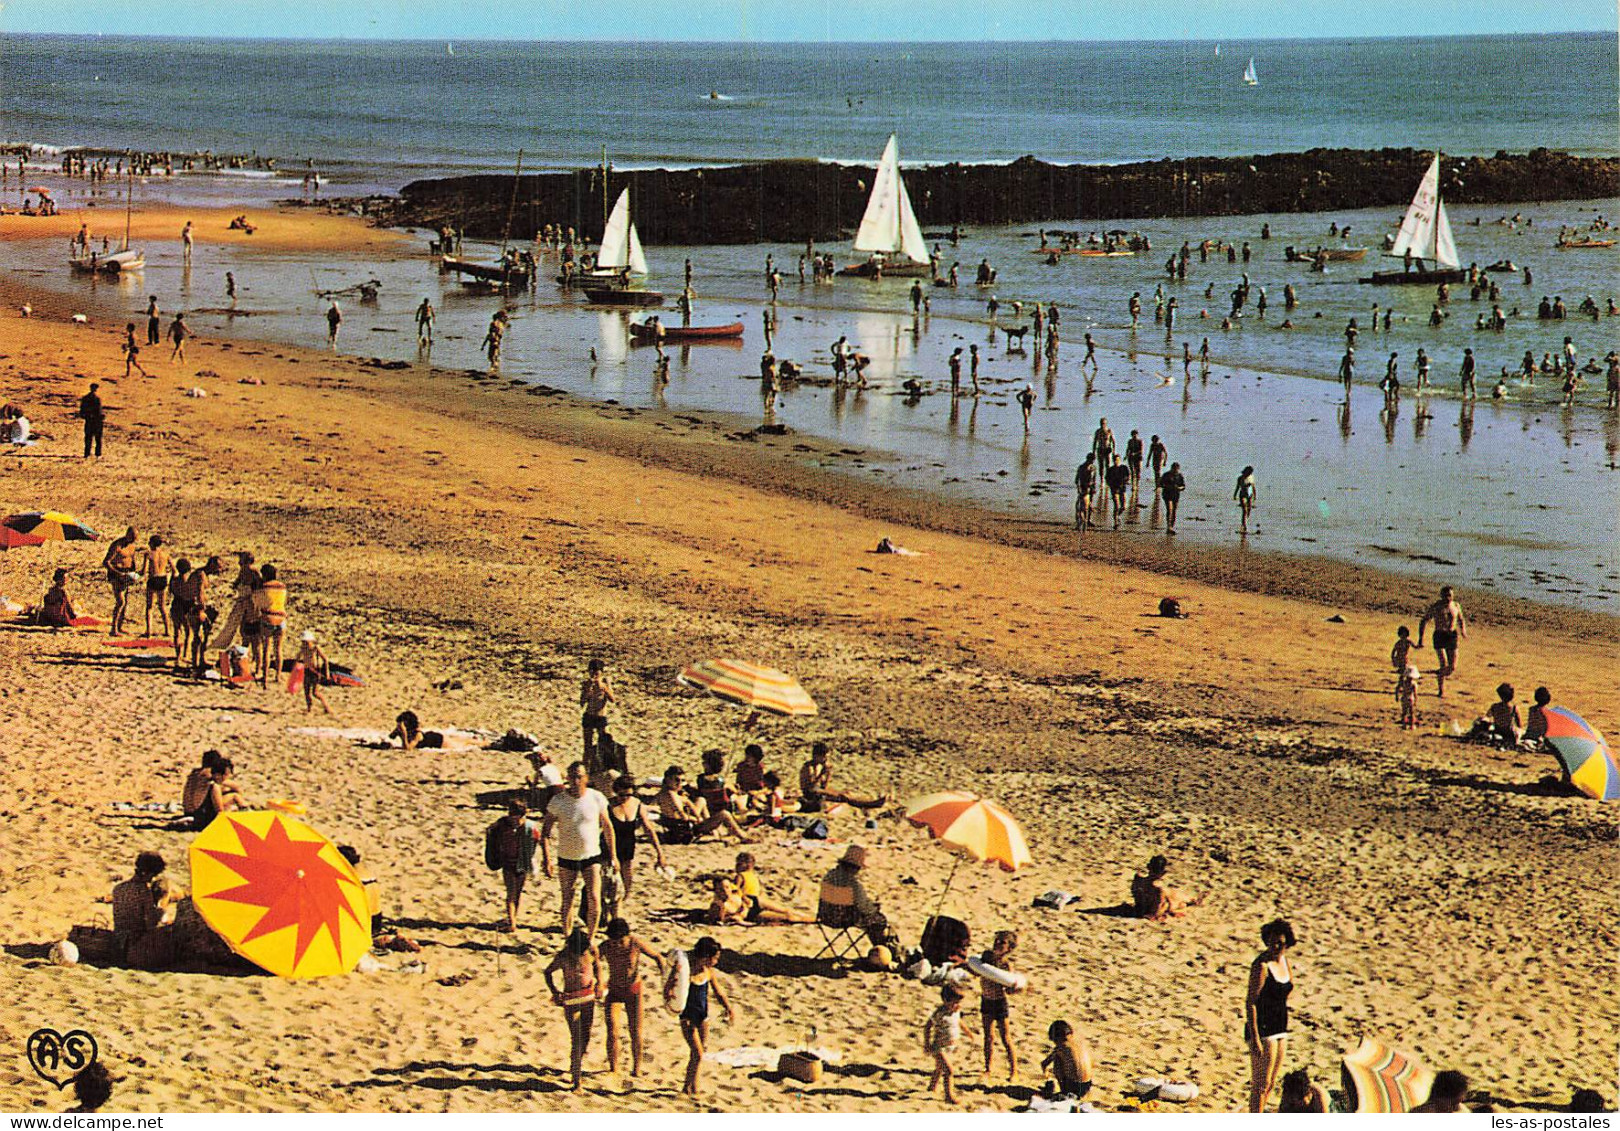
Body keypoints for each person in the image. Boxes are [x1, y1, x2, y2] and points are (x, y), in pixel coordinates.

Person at [541, 761, 615, 940]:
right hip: (566, 857)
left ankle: (590, 938)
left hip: (592, 856)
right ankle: (567, 938)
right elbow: (545, 831)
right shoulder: (558, 801)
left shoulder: (596, 797)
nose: (575, 781)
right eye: (571, 777)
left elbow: (607, 827)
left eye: (579, 777)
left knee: (594, 898)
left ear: (586, 778)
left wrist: (613, 856)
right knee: (567, 899)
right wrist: (547, 859)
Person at [599, 917, 664, 1077]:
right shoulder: (606, 946)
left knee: (635, 1031)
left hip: (633, 990)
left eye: (620, 941)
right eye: (614, 941)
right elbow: (591, 960)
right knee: (613, 1030)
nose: (617, 945)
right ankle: (613, 1069)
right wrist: (598, 981)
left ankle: (637, 1069)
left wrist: (666, 980)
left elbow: (658, 957)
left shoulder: (635, 944)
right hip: (614, 990)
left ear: (627, 936)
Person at [1245, 918, 1296, 1112]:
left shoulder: (1284, 961)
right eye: (1272, 942)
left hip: (1281, 1026)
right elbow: (1250, 1003)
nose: (1276, 946)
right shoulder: (1261, 966)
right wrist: (1255, 1037)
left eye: (1280, 943)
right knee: (1260, 1085)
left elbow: (1287, 988)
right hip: (1263, 1028)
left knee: (1271, 1083)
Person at [544, 928, 602, 1092]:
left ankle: (574, 1065)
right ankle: (577, 1081)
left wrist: (600, 983)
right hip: (571, 999)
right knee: (576, 1038)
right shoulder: (563, 956)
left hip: (588, 997)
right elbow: (548, 972)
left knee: (586, 1036)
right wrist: (555, 992)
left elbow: (597, 966)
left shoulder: (591, 951)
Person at [680, 935, 734, 1096]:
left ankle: (692, 1086)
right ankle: (687, 1088)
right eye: (715, 958)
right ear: (706, 957)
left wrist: (728, 1008)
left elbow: (718, 992)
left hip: (703, 1017)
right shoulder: (686, 972)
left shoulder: (708, 972)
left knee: (698, 1053)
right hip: (687, 1017)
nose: (717, 961)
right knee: (698, 1053)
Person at [818, 845, 896, 947]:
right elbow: (863, 908)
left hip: (826, 916)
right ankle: (881, 950)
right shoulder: (853, 885)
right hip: (843, 919)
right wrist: (874, 907)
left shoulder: (828, 876)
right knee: (879, 921)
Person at [112, 851, 180, 970]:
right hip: (136, 948)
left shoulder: (118, 888)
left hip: (117, 943)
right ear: (149, 873)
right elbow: (150, 925)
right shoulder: (144, 892)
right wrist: (162, 909)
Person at [654, 765, 751, 842]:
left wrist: (688, 802)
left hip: (677, 829)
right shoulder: (672, 795)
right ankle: (741, 835)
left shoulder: (664, 793)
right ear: (667, 779)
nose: (679, 783)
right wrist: (697, 818)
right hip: (685, 832)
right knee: (724, 814)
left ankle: (714, 831)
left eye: (682, 780)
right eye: (676, 780)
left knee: (701, 800)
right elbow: (683, 817)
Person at [608, 774, 666, 902]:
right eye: (621, 795)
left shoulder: (636, 804)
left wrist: (659, 852)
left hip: (627, 843)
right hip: (609, 844)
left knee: (627, 876)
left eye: (628, 795)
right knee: (609, 879)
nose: (624, 798)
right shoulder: (608, 805)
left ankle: (623, 902)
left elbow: (648, 829)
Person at [487, 799, 538, 932]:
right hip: (521, 862)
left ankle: (512, 922)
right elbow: (536, 840)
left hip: (510, 862)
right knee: (516, 893)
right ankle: (512, 918)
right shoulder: (528, 826)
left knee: (512, 893)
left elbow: (490, 831)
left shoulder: (504, 823)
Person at [976, 930, 1020, 1079]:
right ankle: (988, 1068)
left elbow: (1009, 990)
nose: (998, 944)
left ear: (1009, 948)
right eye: (997, 940)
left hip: (999, 1003)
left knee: (1005, 1038)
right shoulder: (986, 957)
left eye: (1003, 942)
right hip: (986, 1000)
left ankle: (1014, 1071)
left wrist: (1013, 988)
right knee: (988, 1037)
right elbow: (977, 969)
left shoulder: (1007, 966)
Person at [799, 742, 889, 811]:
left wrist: (828, 774)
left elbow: (824, 786)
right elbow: (811, 788)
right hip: (811, 794)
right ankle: (869, 804)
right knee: (844, 797)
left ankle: (868, 801)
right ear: (816, 756)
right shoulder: (808, 768)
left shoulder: (819, 766)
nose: (825, 759)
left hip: (818, 790)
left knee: (846, 793)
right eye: (824, 757)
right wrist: (822, 773)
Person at [733, 851, 814, 923]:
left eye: (738, 864)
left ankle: (810, 920)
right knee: (786, 911)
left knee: (786, 917)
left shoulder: (740, 876)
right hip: (758, 900)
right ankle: (812, 919)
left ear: (748, 865)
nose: (736, 866)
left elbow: (735, 891)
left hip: (748, 904)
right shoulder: (754, 877)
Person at [1416, 585, 1467, 698]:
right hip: (1439, 635)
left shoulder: (1456, 606)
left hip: (1452, 636)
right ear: (1441, 596)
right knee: (1443, 664)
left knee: (1452, 667)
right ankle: (1441, 690)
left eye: (1450, 595)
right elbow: (1424, 620)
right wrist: (1421, 638)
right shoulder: (1436, 607)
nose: (1448, 598)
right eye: (1446, 595)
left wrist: (1463, 631)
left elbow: (1461, 619)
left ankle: (1439, 674)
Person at [923, 984, 967, 1105]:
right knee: (949, 1071)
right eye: (955, 1003)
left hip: (949, 1047)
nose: (958, 1006)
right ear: (946, 1001)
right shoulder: (940, 1013)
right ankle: (949, 1096)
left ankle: (932, 1087)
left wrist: (968, 1033)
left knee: (939, 1068)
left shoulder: (955, 1012)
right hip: (939, 1047)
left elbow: (959, 1022)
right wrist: (927, 1044)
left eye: (959, 1003)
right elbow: (927, 1027)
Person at [1131, 854, 1203, 920]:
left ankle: (1191, 900)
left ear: (1148, 867)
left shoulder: (1138, 879)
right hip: (1160, 904)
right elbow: (1157, 912)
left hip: (1141, 907)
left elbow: (1135, 895)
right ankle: (1192, 900)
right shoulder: (1158, 888)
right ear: (1163, 873)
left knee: (1172, 895)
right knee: (1175, 900)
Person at [251, 563, 287, 686]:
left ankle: (265, 677)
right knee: (278, 650)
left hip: (268, 618)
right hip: (281, 618)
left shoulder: (264, 587)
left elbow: (257, 602)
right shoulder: (282, 587)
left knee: (267, 649)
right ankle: (278, 676)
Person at [102, 528, 140, 638]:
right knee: (120, 601)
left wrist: (134, 573)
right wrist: (117, 573)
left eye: (135, 538)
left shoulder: (132, 546)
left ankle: (119, 626)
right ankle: (113, 629)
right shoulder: (117, 545)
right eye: (132, 537)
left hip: (126, 573)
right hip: (116, 574)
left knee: (125, 602)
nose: (133, 540)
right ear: (127, 535)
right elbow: (106, 562)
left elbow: (132, 559)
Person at [1041, 1020, 1092, 1100]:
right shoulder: (1080, 1044)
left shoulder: (1061, 1047)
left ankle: (1061, 1090)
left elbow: (1044, 1064)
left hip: (1073, 1087)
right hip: (1087, 1085)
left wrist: (1047, 1078)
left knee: (1057, 1059)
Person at [580, 658, 614, 766]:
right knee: (587, 746)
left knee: (604, 744)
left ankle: (603, 766)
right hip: (589, 716)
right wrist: (588, 691)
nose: (594, 674)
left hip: (601, 716)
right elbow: (582, 702)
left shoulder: (605, 682)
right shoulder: (586, 683)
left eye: (596, 671)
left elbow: (612, 699)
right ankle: (586, 768)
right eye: (591, 671)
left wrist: (603, 688)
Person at [294, 629, 332, 714]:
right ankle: (309, 709)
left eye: (306, 642)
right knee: (306, 692)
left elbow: (325, 659)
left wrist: (327, 673)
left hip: (314, 671)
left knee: (315, 692)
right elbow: (297, 658)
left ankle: (326, 707)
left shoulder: (315, 648)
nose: (305, 643)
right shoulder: (303, 649)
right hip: (307, 671)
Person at [79, 382, 104, 459]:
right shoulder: (87, 399)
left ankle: (95, 454)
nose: (94, 390)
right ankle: (89, 454)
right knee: (90, 438)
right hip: (92, 421)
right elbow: (82, 412)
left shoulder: (94, 398)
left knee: (96, 438)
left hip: (95, 421)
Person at [1105, 455, 1131, 529]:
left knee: (1124, 506)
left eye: (1117, 460)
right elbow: (1107, 478)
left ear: (1120, 460)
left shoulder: (1124, 468)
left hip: (1122, 487)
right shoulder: (1110, 469)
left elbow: (1128, 476)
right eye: (1115, 460)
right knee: (1116, 505)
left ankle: (1118, 515)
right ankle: (1115, 521)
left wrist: (1127, 481)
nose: (1116, 461)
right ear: (1113, 461)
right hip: (1114, 488)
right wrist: (1110, 484)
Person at [1159, 462, 1185, 533]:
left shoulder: (1180, 476)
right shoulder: (1166, 475)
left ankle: (1172, 526)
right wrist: (1167, 486)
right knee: (1169, 509)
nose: (1175, 471)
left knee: (1174, 510)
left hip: (1176, 494)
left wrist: (1179, 488)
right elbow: (1160, 484)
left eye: (1176, 469)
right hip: (1167, 494)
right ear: (1171, 468)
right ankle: (1168, 526)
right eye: (1174, 469)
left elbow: (1183, 486)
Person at [1073, 455, 1097, 531]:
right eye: (1091, 460)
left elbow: (1093, 480)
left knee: (1087, 507)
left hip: (1090, 489)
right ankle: (1080, 523)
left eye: (1093, 461)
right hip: (1083, 488)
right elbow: (1077, 480)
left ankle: (1086, 522)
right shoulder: (1082, 467)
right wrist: (1079, 488)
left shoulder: (1093, 468)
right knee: (1079, 507)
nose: (1092, 462)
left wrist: (1093, 488)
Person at [1233, 466, 1257, 534]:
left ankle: (1245, 520)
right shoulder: (1240, 478)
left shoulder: (1251, 477)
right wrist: (1235, 495)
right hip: (1242, 495)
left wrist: (1255, 495)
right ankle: (1244, 524)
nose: (1249, 474)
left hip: (1250, 495)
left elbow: (1253, 487)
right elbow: (1237, 487)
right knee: (1244, 510)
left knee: (1248, 510)